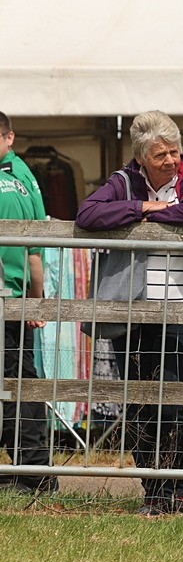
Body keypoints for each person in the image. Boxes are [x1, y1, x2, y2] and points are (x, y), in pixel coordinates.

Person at [77, 111, 183, 515]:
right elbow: (88, 214)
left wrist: (146, 214)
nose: (170, 161)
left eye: (174, 152)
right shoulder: (123, 182)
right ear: (142, 157)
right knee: (140, 403)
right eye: (160, 154)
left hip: (182, 311)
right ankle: (154, 493)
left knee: (171, 402)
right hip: (134, 311)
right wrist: (142, 204)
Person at [0, 114, 56, 495]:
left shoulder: (6, 181)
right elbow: (35, 252)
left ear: (9, 137)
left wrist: (33, 301)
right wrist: (36, 300)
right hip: (18, 297)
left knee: (17, 383)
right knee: (22, 380)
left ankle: (35, 473)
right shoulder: (25, 176)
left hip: (7, 298)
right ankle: (32, 469)